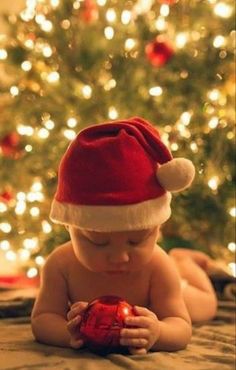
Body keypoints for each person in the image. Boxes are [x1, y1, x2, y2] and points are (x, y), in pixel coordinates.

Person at [31, 117, 217, 355]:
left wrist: (158, 332)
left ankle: (185, 261)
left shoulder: (158, 266)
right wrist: (70, 333)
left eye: (135, 241)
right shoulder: (59, 265)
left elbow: (181, 327)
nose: (119, 257)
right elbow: (43, 319)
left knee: (205, 306)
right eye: (98, 242)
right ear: (69, 227)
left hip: (169, 295)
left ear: (156, 227)